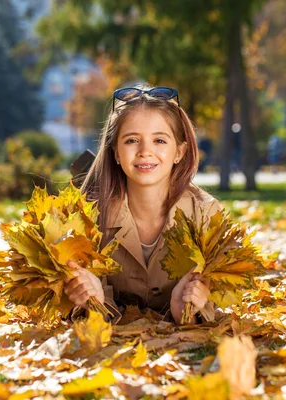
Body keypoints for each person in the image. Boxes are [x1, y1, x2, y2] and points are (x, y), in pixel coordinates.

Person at [63, 84, 221, 325]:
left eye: (159, 140)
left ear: (179, 151)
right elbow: (71, 300)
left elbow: (223, 293)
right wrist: (93, 300)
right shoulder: (88, 216)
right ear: (115, 152)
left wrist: (189, 310)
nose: (145, 151)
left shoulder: (206, 214)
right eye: (131, 140)